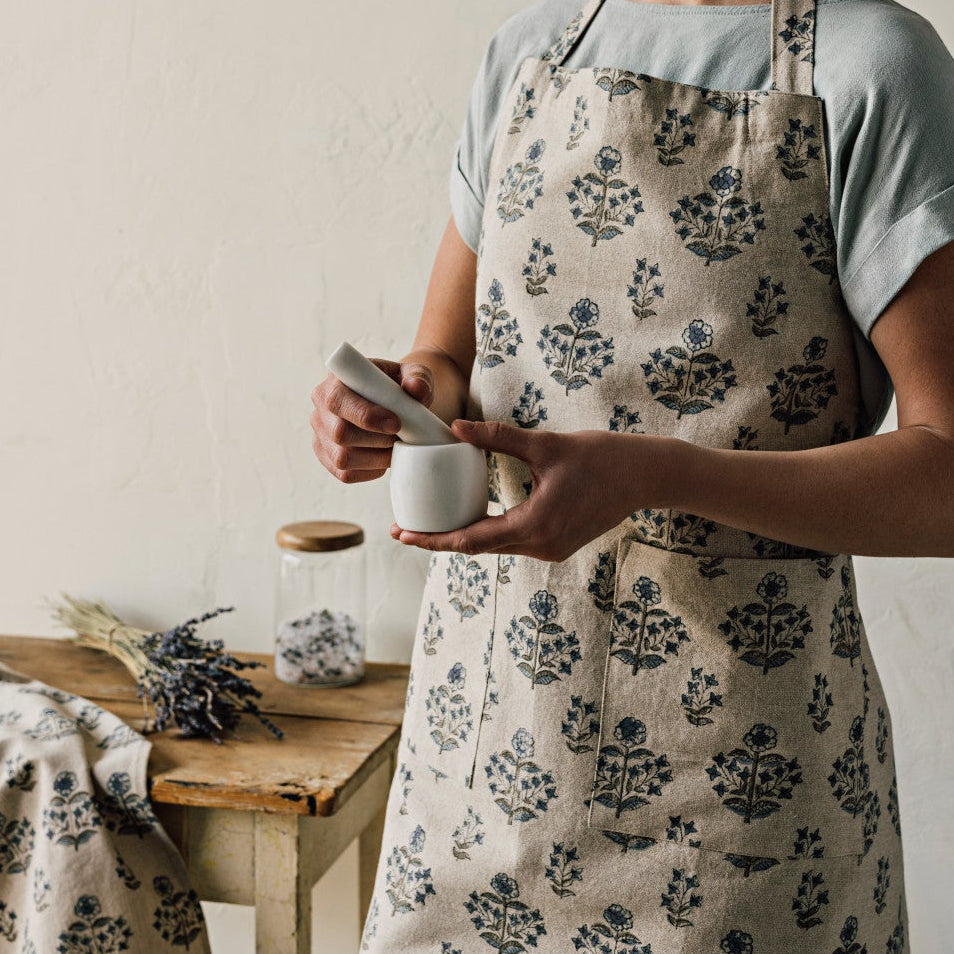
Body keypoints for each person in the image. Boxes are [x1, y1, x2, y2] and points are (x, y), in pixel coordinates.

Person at [311, 0, 954, 950]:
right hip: (483, 764)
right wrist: (388, 405)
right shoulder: (531, 51)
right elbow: (445, 365)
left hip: (737, 804)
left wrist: (660, 475)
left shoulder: (872, 65)